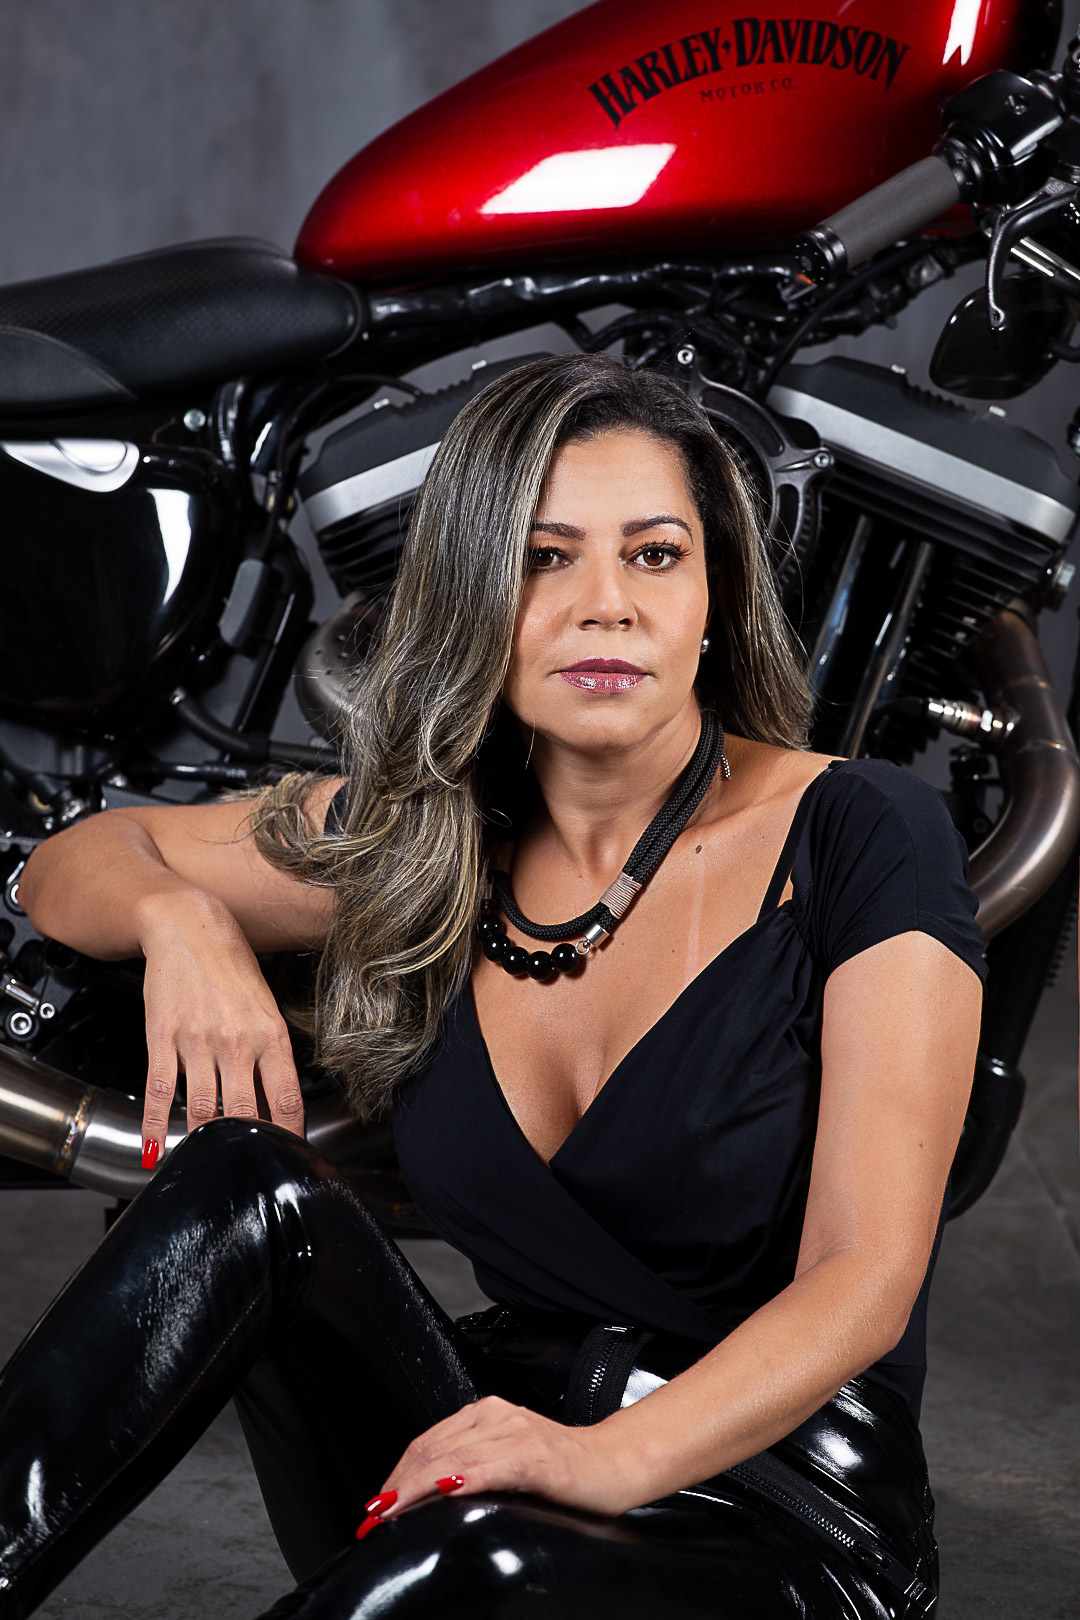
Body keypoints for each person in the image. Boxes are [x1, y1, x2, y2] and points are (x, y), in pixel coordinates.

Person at [3, 354, 983, 1618]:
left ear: (715, 597)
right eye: (543, 558)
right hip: (490, 1433)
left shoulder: (859, 830)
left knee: (482, 1561)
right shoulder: (433, 842)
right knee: (246, 1179)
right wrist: (182, 921)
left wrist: (599, 1462)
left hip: (775, 1500)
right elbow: (69, 863)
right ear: (475, 595)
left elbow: (867, 1275)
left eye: (655, 555)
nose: (606, 606)